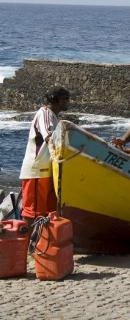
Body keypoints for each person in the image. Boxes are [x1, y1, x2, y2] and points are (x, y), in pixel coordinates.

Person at [19, 87, 70, 223]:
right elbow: (50, 137)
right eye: (66, 99)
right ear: (58, 100)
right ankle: (28, 242)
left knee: (46, 212)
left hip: (46, 170)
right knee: (33, 212)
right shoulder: (45, 113)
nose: (68, 102)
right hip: (37, 171)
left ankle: (39, 242)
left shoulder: (53, 117)